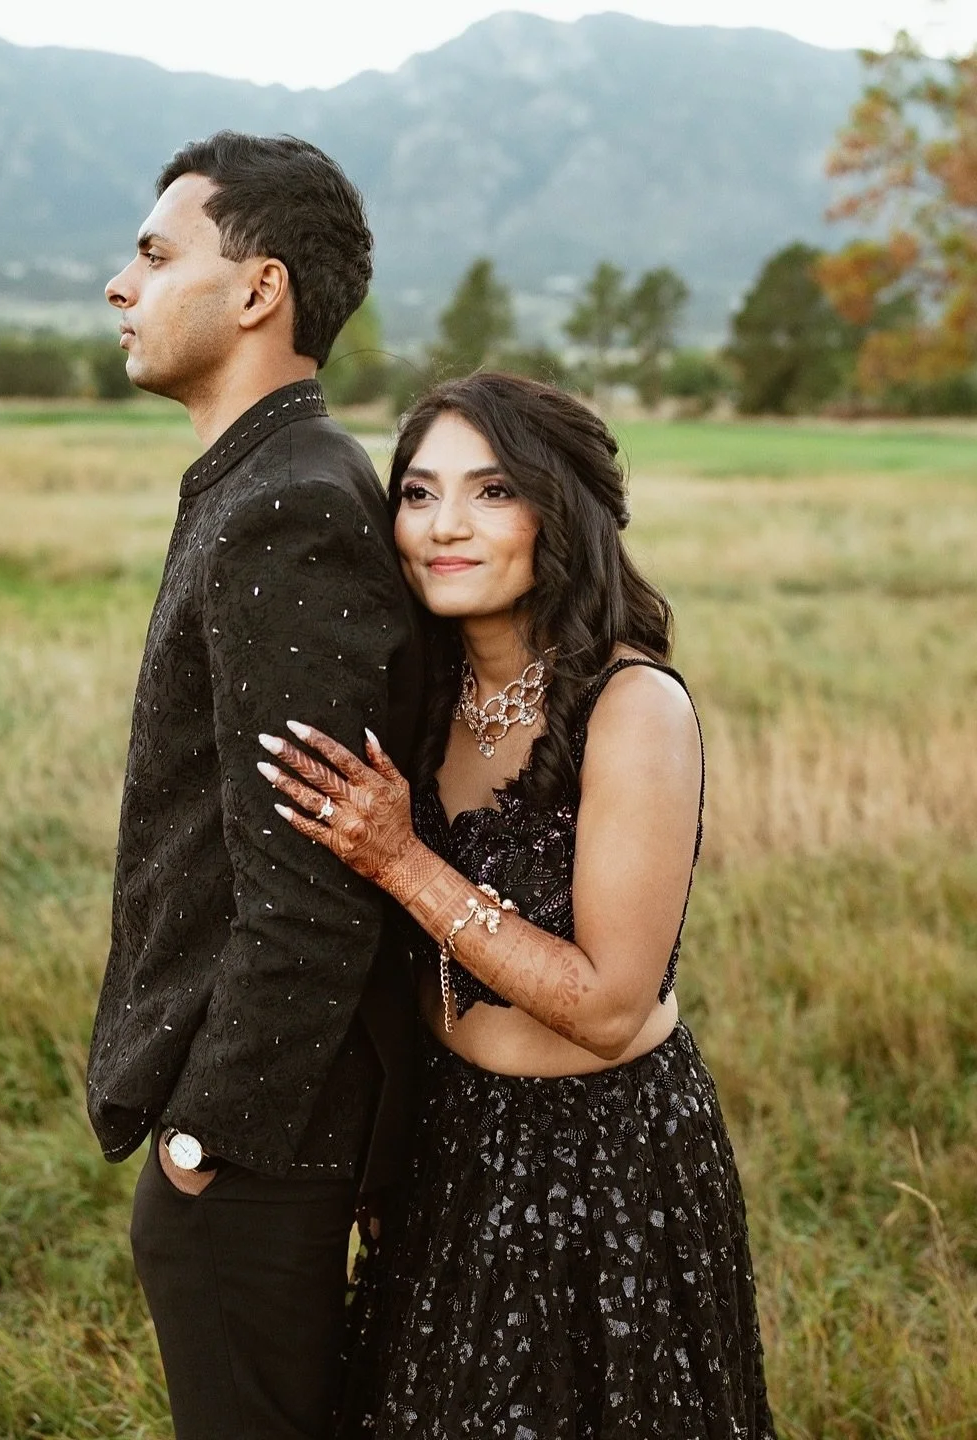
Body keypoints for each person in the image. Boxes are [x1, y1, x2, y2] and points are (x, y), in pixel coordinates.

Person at [257, 372, 776, 1438]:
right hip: (447, 1139)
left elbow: (605, 1006)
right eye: (417, 492)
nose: (444, 526)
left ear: (561, 512)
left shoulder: (633, 711)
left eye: (492, 492)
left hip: (606, 1164)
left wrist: (404, 861)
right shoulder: (426, 694)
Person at [84, 131, 422, 1440]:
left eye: (156, 253)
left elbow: (314, 888)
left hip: (261, 1144)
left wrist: (206, 1142)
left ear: (257, 291)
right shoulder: (264, 481)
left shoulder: (289, 505)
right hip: (264, 1131)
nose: (121, 284)